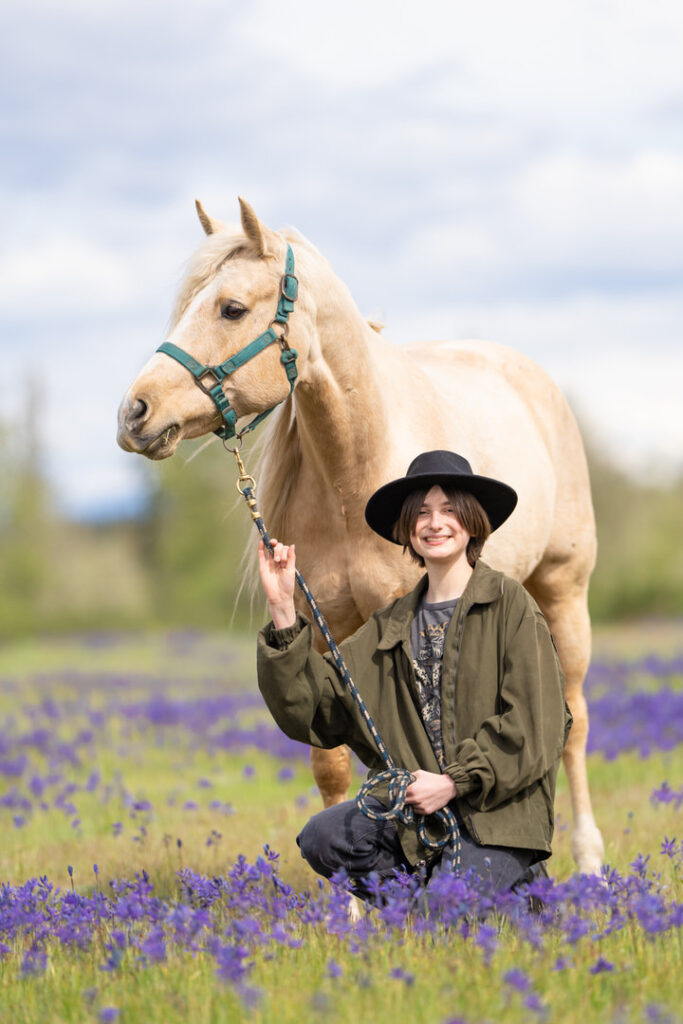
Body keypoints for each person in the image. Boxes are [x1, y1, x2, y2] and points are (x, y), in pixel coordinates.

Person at [256, 450, 571, 904]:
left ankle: (514, 891)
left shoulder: (510, 606)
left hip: (495, 815)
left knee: (445, 912)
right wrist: (283, 610)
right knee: (324, 837)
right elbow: (317, 709)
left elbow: (536, 726)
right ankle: (420, 908)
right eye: (420, 513)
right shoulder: (390, 625)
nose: (434, 523)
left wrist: (452, 781)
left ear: (473, 522)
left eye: (448, 510)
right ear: (407, 529)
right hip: (418, 822)